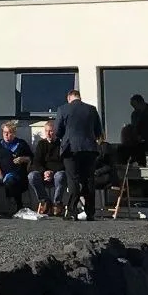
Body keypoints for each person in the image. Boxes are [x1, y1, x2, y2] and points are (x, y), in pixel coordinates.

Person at [55, 88, 103, 221]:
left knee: (73, 179)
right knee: (89, 180)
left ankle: (71, 211)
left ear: (69, 98)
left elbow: (58, 131)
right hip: (89, 149)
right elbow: (98, 131)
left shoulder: (63, 109)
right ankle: (90, 212)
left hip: (71, 149)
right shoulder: (91, 109)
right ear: (79, 97)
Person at [28, 120, 66, 216]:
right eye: (46, 131)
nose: (48, 133)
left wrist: (52, 172)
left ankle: (57, 203)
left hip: (56, 173)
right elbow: (36, 161)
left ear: (56, 131)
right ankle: (45, 201)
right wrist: (44, 172)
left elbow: (64, 163)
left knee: (60, 175)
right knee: (32, 176)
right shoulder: (41, 144)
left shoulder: (61, 145)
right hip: (43, 174)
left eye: (51, 131)